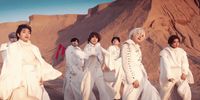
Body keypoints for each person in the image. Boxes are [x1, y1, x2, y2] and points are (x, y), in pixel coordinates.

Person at [0, 24, 62, 100]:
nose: (27, 34)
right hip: (20, 81)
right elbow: (11, 66)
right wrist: (18, 82)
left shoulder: (34, 48)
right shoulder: (13, 47)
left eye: (29, 32)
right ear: (18, 34)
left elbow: (39, 63)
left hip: (34, 81)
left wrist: (40, 77)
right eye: (24, 32)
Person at [121, 28, 160, 100]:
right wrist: (132, 79)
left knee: (152, 94)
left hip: (141, 76)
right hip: (133, 77)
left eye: (142, 35)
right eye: (138, 34)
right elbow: (126, 63)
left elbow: (139, 63)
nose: (140, 36)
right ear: (132, 34)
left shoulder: (137, 47)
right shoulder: (127, 45)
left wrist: (145, 74)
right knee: (130, 97)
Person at [159, 35, 194, 100]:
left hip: (180, 73)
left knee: (186, 90)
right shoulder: (165, 52)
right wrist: (168, 76)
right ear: (170, 42)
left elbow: (185, 63)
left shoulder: (181, 51)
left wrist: (184, 73)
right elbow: (165, 65)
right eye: (174, 42)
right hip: (170, 73)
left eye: (178, 42)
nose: (176, 44)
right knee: (165, 92)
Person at [81, 32, 113, 100]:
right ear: (90, 38)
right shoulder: (87, 47)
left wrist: (104, 63)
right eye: (93, 37)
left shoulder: (99, 46)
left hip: (98, 71)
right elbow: (85, 56)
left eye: (96, 37)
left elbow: (108, 54)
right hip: (89, 71)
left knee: (103, 89)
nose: (94, 39)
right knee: (87, 89)